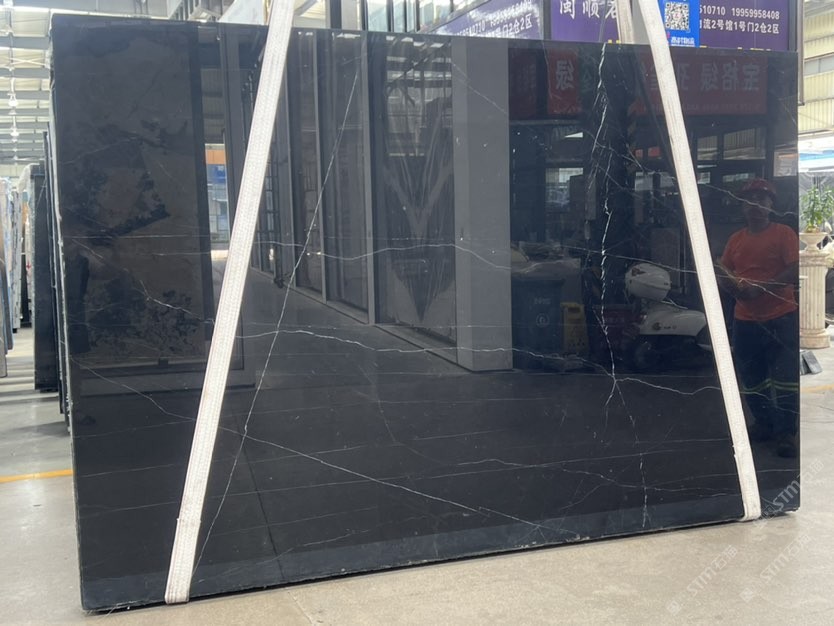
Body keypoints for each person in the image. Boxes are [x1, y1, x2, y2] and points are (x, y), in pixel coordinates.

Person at [717, 178, 799, 458]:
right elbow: (725, 271)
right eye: (749, 200)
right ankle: (764, 424)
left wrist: (760, 289)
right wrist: (728, 284)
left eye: (761, 200)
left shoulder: (783, 234)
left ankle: (786, 433)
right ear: (742, 207)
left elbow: (794, 269)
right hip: (745, 321)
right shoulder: (736, 240)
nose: (755, 205)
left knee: (785, 379)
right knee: (753, 379)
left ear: (770, 205)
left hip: (781, 318)